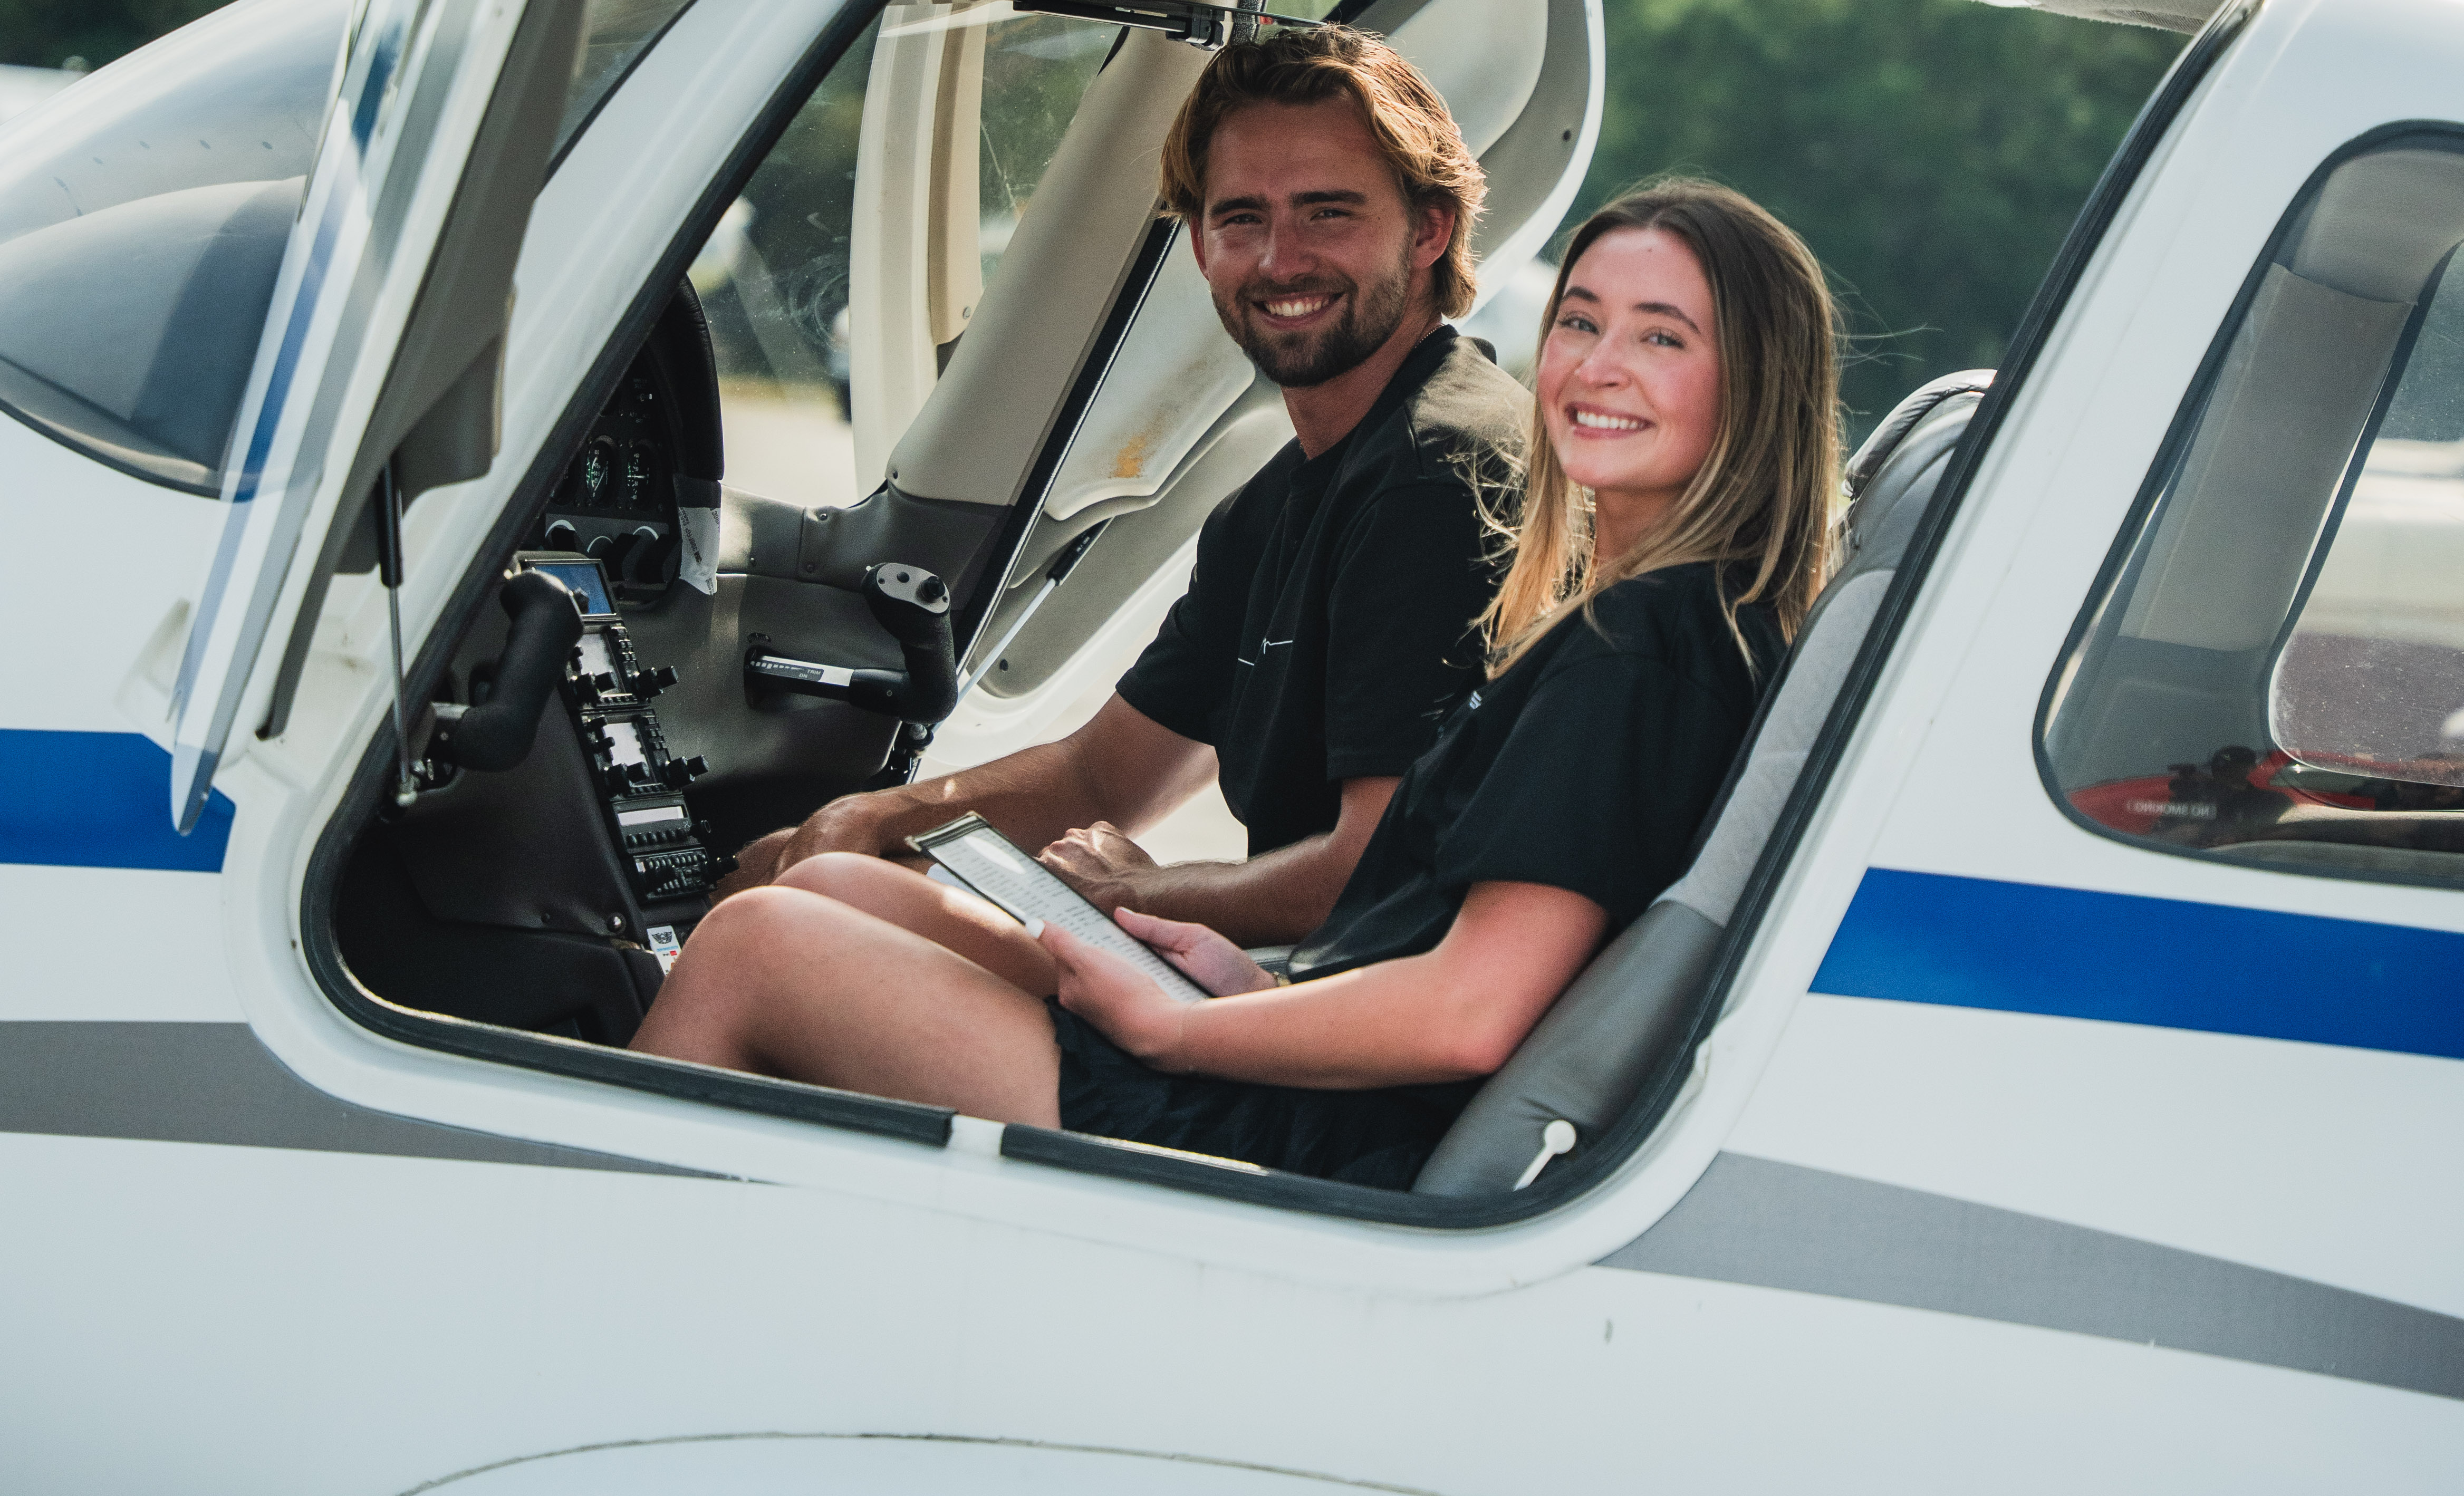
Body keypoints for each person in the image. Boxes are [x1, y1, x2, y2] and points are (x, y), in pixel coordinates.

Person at [634, 180, 1843, 1192]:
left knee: (757, 944)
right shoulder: (1661, 620)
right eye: (1581, 321)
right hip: (1315, 1065)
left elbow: (1473, 1009)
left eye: (1662, 337)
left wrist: (1189, 1025)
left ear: (1754, 384)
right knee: (848, 883)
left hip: (1329, 1142)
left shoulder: (1641, 652)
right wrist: (1248, 975)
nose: (1597, 367)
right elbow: (1421, 934)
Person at [725, 28, 1529, 948]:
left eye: (1328, 213)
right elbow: (1101, 779)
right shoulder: (1281, 502)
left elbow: (1378, 872)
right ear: (1199, 245)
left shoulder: (1439, 471)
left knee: (783, 934)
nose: (1278, 261)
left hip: (1343, 1025)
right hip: (1283, 977)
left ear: (1429, 229)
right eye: (1241, 219)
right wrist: (869, 820)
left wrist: (1141, 895)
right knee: (788, 875)